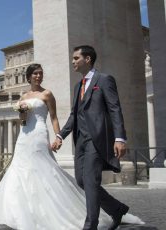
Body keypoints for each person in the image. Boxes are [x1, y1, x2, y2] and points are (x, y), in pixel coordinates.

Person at [0, 63, 142, 229]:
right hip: (24, 137)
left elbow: (53, 117)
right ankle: (14, 216)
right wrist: (22, 112)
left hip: (39, 134)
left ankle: (77, 214)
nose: (39, 76)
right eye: (35, 74)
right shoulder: (23, 97)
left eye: (40, 73)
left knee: (42, 171)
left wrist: (58, 136)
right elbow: (23, 121)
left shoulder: (47, 94)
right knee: (18, 171)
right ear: (29, 77)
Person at [53, 45, 133, 230]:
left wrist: (120, 138)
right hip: (80, 140)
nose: (73, 61)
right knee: (81, 181)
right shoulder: (77, 86)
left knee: (90, 180)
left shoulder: (104, 80)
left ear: (87, 59)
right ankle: (116, 208)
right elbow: (74, 115)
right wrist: (60, 136)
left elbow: (115, 108)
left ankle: (91, 225)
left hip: (97, 139)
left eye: (76, 58)